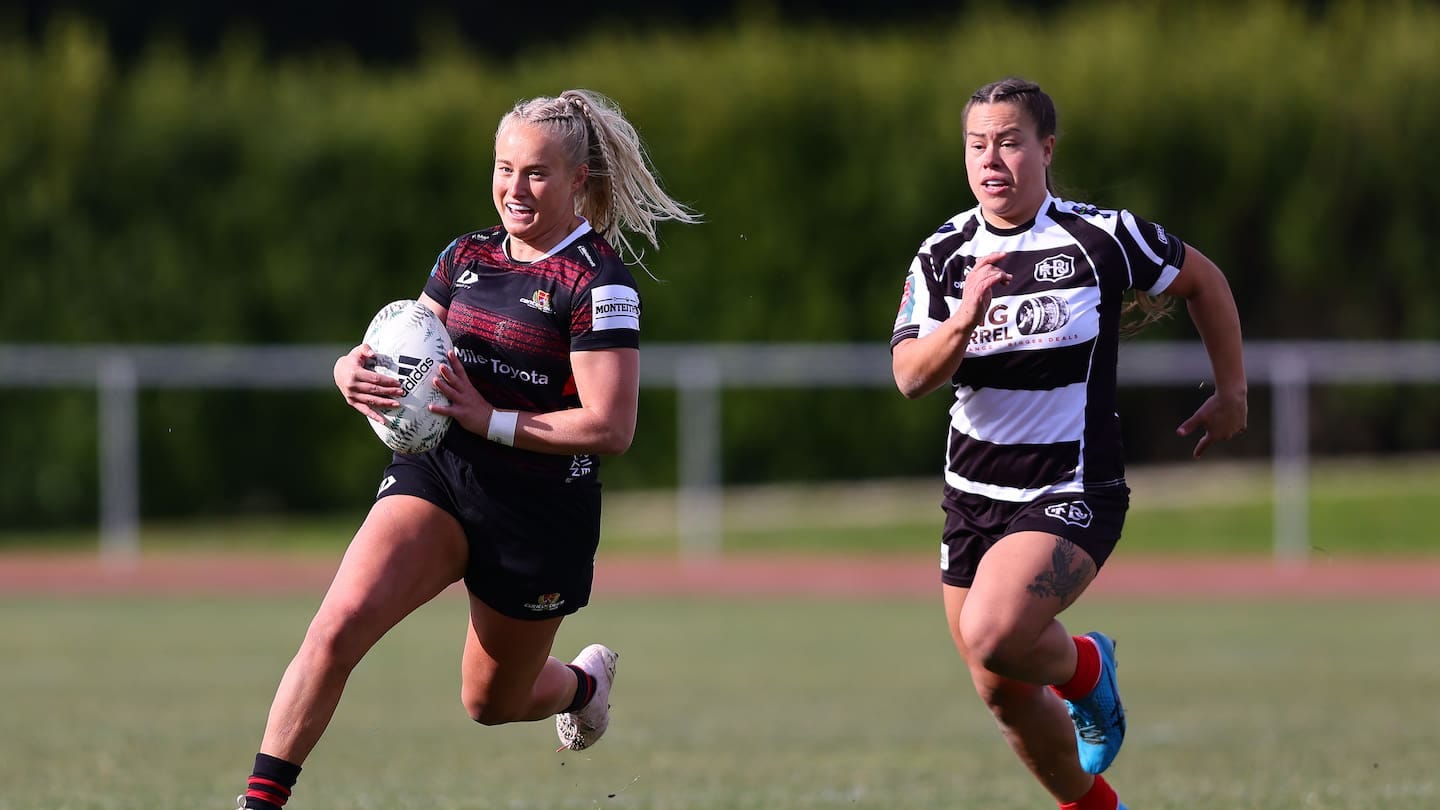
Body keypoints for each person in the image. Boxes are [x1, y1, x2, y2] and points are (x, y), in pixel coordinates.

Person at [234, 88, 699, 810]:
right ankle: (259, 803)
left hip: (538, 513)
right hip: (440, 477)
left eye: (537, 173)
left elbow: (612, 427)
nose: (515, 188)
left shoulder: (599, 284)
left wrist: (491, 418)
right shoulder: (464, 257)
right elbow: (405, 348)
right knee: (334, 630)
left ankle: (583, 685)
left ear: (579, 180)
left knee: (490, 702)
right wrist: (348, 371)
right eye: (504, 167)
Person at [889, 77, 1246, 810]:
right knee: (1002, 691)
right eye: (978, 144)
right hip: (973, 499)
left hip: (1072, 489)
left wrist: (1232, 390)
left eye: (1011, 141)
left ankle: (1087, 667)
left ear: (1046, 150)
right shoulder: (943, 253)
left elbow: (1203, 280)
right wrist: (963, 320)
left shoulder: (1102, 237)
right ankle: (1095, 806)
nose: (993, 159)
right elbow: (909, 377)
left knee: (993, 632)